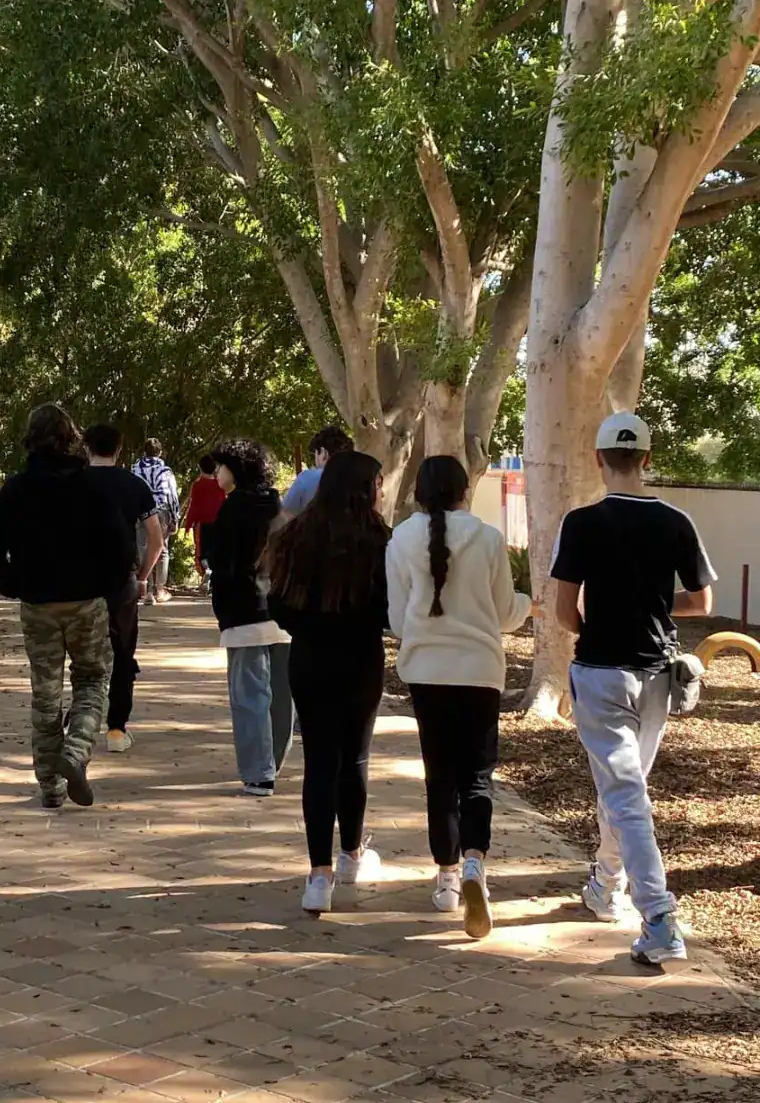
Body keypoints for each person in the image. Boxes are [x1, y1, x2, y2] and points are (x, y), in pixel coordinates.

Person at [550, 412, 715, 966]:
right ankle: (604, 886)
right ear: (645, 458)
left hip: (600, 673)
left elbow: (562, 611)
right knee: (625, 790)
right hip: (656, 679)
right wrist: (655, 608)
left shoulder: (581, 523)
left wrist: (596, 628)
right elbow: (701, 603)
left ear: (600, 459)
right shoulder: (676, 522)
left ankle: (659, 917)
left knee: (625, 794)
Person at [387, 455, 531, 940]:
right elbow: (508, 614)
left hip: (427, 672)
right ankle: (474, 864)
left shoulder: (401, 539)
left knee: (439, 776)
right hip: (480, 672)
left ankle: (447, 879)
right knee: (477, 776)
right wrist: (531, 605)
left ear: (419, 493)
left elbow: (397, 619)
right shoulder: (489, 539)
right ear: (464, 491)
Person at [0, 405, 133, 809]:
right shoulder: (92, 488)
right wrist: (109, 590)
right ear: (70, 439)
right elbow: (121, 549)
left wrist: (14, 585)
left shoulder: (17, 489)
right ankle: (76, 751)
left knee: (45, 695)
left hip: (39, 604)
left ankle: (50, 785)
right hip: (86, 603)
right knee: (92, 681)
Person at [268, 451, 390, 915]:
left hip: (310, 658)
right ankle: (351, 854)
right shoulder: (380, 539)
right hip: (361, 658)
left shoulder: (298, 534)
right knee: (354, 757)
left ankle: (318, 874)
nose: (381, 490)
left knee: (319, 759)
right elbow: (389, 607)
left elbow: (277, 603)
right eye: (378, 482)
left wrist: (308, 625)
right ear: (363, 486)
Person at [208, 439, 295, 797]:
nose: (216, 473)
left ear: (236, 470)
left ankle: (259, 772)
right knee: (281, 695)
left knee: (250, 694)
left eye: (221, 466)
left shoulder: (232, 512)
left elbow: (223, 563)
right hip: (284, 612)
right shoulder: (280, 511)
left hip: (244, 612)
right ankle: (271, 761)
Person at [83, 424, 165, 754]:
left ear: (86, 448)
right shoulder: (134, 485)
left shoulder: (74, 484)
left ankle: (78, 724)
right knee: (122, 653)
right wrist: (143, 575)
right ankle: (116, 728)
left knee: (82, 655)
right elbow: (156, 538)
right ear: (119, 450)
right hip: (122, 581)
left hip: (81, 582)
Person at [132, 438, 180, 604]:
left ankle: (146, 590)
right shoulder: (165, 470)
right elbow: (172, 495)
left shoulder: (135, 467)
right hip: (161, 510)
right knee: (162, 549)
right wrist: (175, 517)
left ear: (145, 452)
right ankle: (160, 589)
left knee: (143, 548)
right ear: (160, 452)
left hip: (140, 511)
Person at [281, 425, 354, 519]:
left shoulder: (307, 478)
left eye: (315, 454)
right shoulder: (363, 478)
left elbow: (286, 515)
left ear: (323, 453)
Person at [184, 454, 226, 591]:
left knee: (202, 552)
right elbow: (224, 503)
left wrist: (188, 525)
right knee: (216, 550)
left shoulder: (197, 485)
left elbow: (194, 505)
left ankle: (207, 571)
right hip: (218, 523)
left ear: (200, 468)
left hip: (201, 524)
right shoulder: (220, 485)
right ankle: (214, 581)